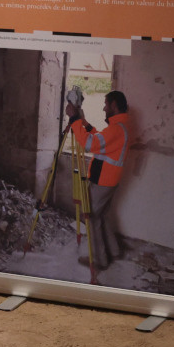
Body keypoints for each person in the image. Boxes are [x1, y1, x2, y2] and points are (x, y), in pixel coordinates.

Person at [70, 89, 131, 275]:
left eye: (106, 104)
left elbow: (89, 145)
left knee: (92, 218)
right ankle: (114, 251)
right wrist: (85, 124)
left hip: (103, 181)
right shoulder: (120, 126)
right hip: (109, 179)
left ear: (113, 105)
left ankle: (99, 259)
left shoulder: (116, 129)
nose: (104, 108)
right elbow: (99, 139)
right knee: (102, 215)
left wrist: (74, 121)